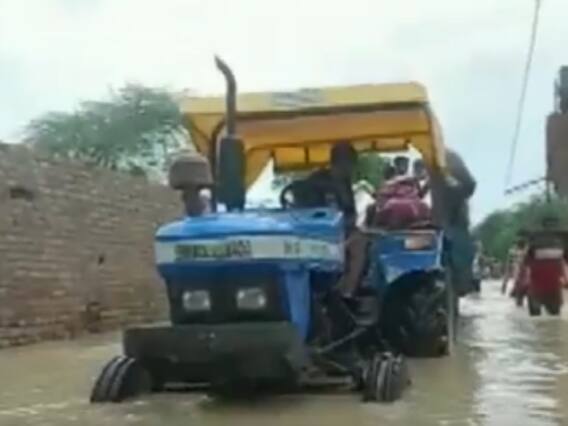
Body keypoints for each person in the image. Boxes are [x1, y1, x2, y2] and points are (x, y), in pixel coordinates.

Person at [428, 148, 477, 295]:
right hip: (440, 220)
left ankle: (461, 283)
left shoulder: (448, 157)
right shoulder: (438, 157)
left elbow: (469, 184)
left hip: (451, 219)